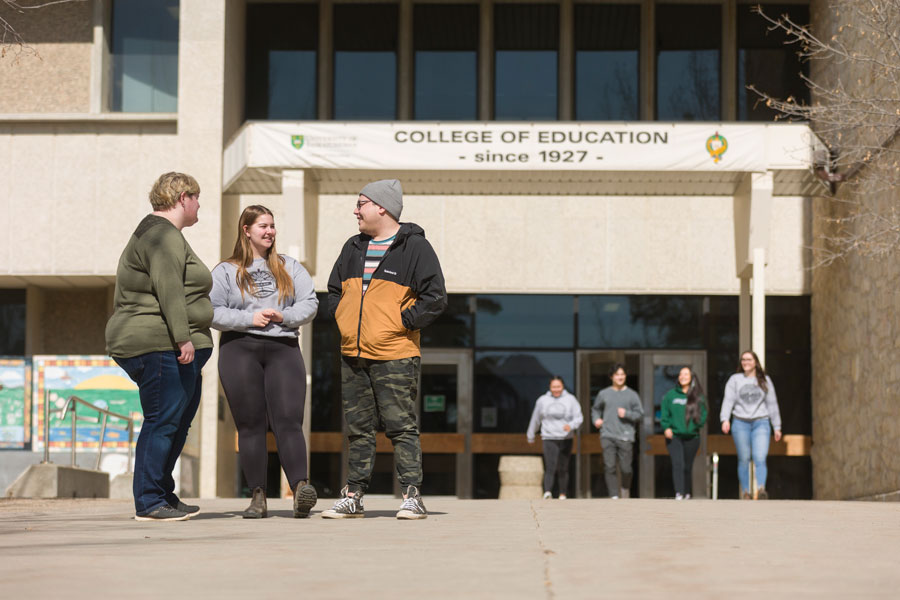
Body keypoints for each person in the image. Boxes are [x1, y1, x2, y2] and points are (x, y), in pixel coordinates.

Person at [322, 178, 447, 520]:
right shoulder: (353, 246)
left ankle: (411, 495)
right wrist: (344, 319)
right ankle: (354, 495)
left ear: (382, 207)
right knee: (359, 429)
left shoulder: (415, 248)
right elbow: (334, 291)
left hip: (395, 354)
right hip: (353, 353)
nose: (355, 210)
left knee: (400, 427)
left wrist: (400, 323)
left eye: (360, 203)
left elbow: (435, 298)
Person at [105, 172, 213, 522]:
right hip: (157, 343)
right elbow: (169, 288)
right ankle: (150, 501)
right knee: (163, 420)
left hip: (164, 342)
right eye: (197, 198)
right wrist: (182, 337)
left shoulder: (161, 233)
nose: (199, 205)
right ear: (183, 198)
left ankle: (162, 492)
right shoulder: (162, 236)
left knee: (175, 422)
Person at [210, 205, 319, 519]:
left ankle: (300, 488)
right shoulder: (226, 271)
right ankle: (258, 495)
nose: (269, 231)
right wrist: (248, 318)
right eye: (262, 226)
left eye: (272, 225)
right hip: (239, 348)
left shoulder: (289, 266)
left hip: (283, 347)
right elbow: (211, 311)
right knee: (251, 425)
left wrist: (284, 315)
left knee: (288, 421)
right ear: (246, 230)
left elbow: (310, 303)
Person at [720, 350, 782, 500]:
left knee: (760, 457)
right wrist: (725, 419)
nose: (745, 362)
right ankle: (746, 492)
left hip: (761, 422)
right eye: (743, 360)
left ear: (755, 362)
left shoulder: (764, 380)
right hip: (740, 422)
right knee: (744, 458)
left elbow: (772, 403)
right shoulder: (735, 379)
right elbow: (728, 400)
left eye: (749, 359)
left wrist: (777, 426)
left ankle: (761, 489)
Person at [592, 364, 643, 499]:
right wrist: (596, 419)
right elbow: (595, 409)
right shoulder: (603, 393)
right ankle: (614, 495)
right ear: (612, 377)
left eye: (622, 374)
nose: (620, 377)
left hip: (625, 436)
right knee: (610, 466)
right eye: (617, 374)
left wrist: (627, 413)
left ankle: (625, 489)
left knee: (626, 469)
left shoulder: (632, 395)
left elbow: (639, 414)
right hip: (607, 434)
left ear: (625, 376)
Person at [526, 376, 583, 499]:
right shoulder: (542, 400)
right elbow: (536, 419)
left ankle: (563, 493)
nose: (556, 389)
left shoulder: (571, 399)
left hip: (565, 438)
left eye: (558, 387)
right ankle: (547, 492)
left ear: (563, 387)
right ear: (550, 387)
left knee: (563, 467)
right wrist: (531, 434)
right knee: (550, 466)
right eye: (553, 387)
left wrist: (571, 425)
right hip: (548, 437)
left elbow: (579, 417)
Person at [661, 367, 707, 500]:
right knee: (678, 463)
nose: (682, 376)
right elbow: (665, 413)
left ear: (692, 377)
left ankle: (687, 492)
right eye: (681, 374)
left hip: (692, 437)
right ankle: (679, 493)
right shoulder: (671, 395)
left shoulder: (698, 396)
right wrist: (666, 427)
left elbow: (703, 415)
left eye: (686, 374)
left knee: (687, 466)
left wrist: (695, 426)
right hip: (674, 436)